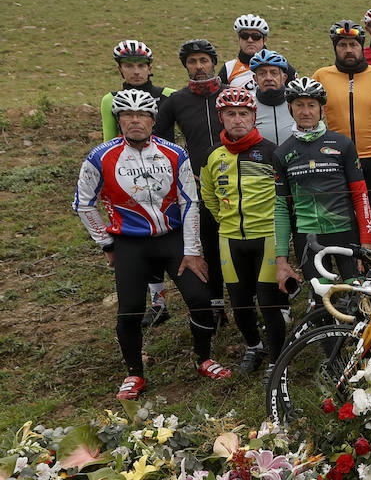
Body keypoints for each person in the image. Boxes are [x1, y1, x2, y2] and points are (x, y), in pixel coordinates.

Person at [76, 89, 225, 400]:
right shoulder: (99, 156)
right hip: (130, 243)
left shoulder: (174, 153)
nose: (135, 121)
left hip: (172, 239)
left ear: (153, 120)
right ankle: (134, 374)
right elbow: (84, 204)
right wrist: (106, 243)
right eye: (127, 115)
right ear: (118, 120)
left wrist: (193, 250)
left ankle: (204, 358)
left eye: (142, 115)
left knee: (199, 297)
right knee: (130, 310)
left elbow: (190, 202)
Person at [201, 86, 289, 374]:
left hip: (266, 237)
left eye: (243, 113)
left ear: (254, 117)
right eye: (230, 114)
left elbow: (283, 198)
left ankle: (277, 361)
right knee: (239, 304)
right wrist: (227, 222)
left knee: (269, 304)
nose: (237, 119)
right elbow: (209, 197)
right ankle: (254, 346)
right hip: (230, 239)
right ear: (221, 118)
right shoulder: (213, 156)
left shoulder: (271, 151)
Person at [271, 76, 371, 292]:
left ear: (322, 110)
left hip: (346, 232)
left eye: (311, 105)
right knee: (321, 298)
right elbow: (281, 209)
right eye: (299, 105)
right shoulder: (282, 153)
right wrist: (281, 259)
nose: (305, 111)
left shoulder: (342, 144)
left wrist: (367, 243)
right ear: (290, 109)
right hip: (308, 237)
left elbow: (360, 195)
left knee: (357, 296)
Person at [100, 40, 177, 327]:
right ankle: (158, 302)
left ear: (150, 68)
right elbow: (109, 142)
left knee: (167, 238)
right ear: (120, 68)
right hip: (129, 179)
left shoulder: (168, 95)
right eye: (129, 66)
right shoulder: (110, 99)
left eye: (141, 66)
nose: (135, 72)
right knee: (142, 237)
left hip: (166, 177)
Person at [154, 38, 228, 324]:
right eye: (192, 62)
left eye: (204, 61)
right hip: (197, 185)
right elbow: (160, 142)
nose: (199, 67)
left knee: (236, 242)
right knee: (208, 244)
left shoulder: (231, 94)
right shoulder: (176, 101)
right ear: (186, 66)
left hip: (233, 182)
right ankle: (216, 303)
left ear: (214, 62)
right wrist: (181, 168)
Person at [314, 20, 371, 247]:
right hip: (336, 157)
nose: (348, 50)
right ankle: (351, 260)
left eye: (353, 44)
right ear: (335, 48)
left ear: (362, 46)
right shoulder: (321, 76)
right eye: (342, 45)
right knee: (344, 214)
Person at [249, 49, 295, 145]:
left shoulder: (296, 103)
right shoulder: (248, 104)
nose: (268, 78)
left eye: (274, 73)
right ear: (255, 79)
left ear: (284, 78)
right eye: (262, 73)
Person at [222, 14, 272, 88]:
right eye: (244, 36)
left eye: (256, 36)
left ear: (264, 40)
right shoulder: (229, 68)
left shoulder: (279, 65)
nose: (250, 40)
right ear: (239, 39)